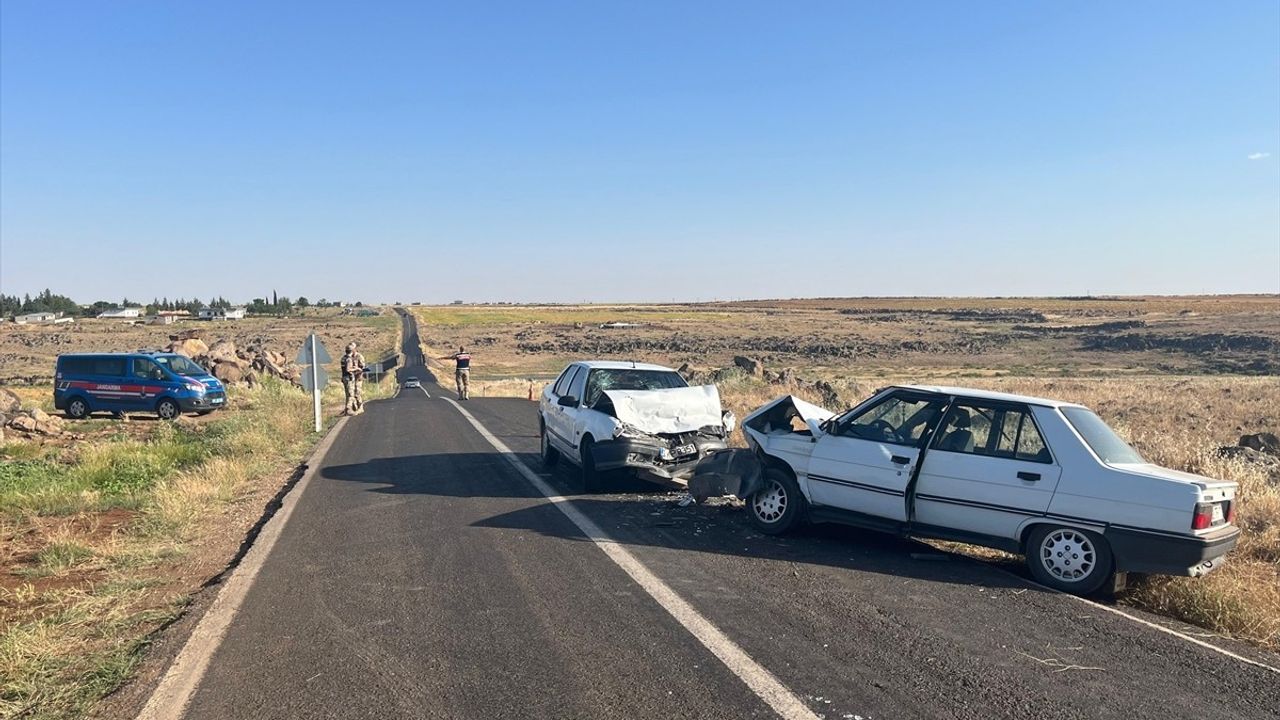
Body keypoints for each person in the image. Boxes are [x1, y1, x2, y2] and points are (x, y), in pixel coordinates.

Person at [341, 342, 367, 414]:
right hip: (351, 378)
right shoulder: (348, 358)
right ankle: (351, 408)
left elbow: (363, 367)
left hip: (358, 377)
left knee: (357, 393)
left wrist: (358, 370)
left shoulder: (359, 356)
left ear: (355, 349)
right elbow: (347, 368)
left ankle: (360, 407)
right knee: (350, 394)